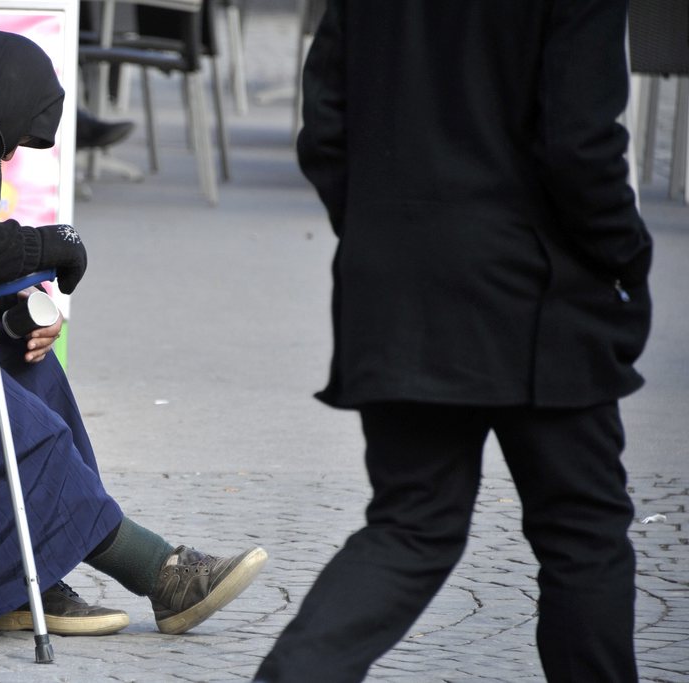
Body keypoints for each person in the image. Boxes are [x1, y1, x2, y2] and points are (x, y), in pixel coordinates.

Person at [254, 2, 652, 681]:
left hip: (401, 280)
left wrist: (388, 232)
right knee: (581, 530)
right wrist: (625, 254)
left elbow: (324, 128)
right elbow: (580, 144)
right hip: (537, 287)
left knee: (413, 523)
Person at [0, 27, 267, 638]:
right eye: (15, 139)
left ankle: (30, 576)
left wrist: (24, 297)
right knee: (33, 436)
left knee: (36, 370)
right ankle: (162, 573)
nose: (13, 155)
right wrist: (46, 244)